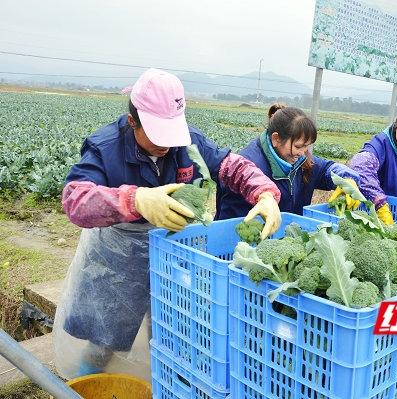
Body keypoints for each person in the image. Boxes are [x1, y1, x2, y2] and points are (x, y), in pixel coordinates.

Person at [53, 68, 282, 379]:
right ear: (133, 120)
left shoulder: (187, 143)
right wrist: (135, 200)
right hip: (119, 261)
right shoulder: (105, 147)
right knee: (104, 339)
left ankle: (162, 384)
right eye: (158, 133)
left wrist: (265, 193)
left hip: (174, 258)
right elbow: (74, 199)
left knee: (168, 333)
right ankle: (85, 381)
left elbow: (231, 165)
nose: (166, 145)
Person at [216, 104, 360, 219]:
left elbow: (325, 169)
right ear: (276, 139)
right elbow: (232, 220)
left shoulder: (299, 160)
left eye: (306, 146)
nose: (303, 152)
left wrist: (347, 180)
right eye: (298, 146)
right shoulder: (247, 171)